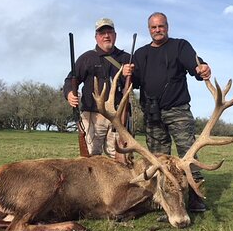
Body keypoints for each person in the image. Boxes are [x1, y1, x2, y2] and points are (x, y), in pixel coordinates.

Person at [123, 12, 211, 212]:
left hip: (177, 110)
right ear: (149, 30)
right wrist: (127, 74)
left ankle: (196, 197)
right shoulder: (141, 53)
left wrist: (202, 68)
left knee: (188, 154)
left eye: (161, 26)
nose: (157, 30)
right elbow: (133, 83)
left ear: (167, 27)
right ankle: (163, 198)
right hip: (152, 113)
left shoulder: (180, 46)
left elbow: (195, 65)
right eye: (153, 27)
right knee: (158, 159)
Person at [63, 18, 130, 158]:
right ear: (96, 37)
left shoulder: (126, 59)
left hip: (117, 117)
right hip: (92, 116)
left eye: (109, 32)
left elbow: (137, 82)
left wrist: (128, 74)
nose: (106, 36)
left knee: (120, 159)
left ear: (115, 35)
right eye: (102, 33)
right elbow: (70, 79)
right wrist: (69, 93)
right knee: (91, 158)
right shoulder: (87, 58)